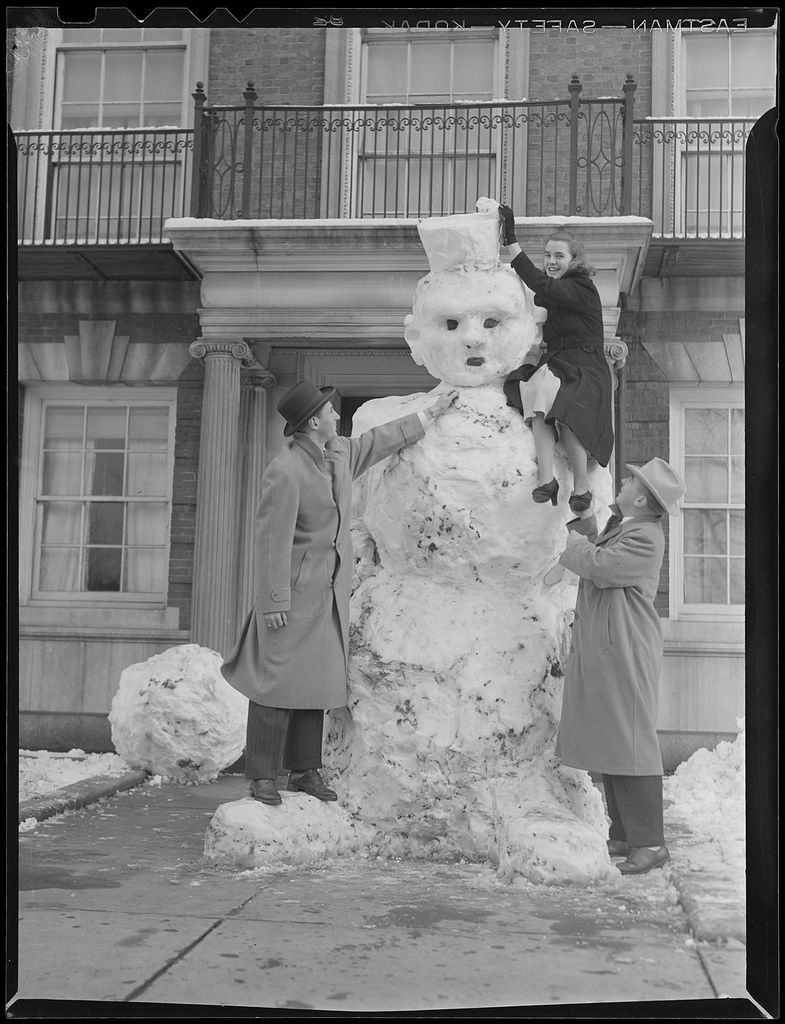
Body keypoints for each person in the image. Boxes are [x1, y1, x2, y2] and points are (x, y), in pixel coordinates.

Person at [221, 379, 458, 806]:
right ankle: (261, 775)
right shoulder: (285, 470)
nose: (336, 416)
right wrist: (273, 600)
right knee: (274, 684)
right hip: (292, 596)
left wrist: (430, 413)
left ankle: (304, 770)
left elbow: (377, 441)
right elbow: (271, 539)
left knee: (314, 683)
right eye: (330, 412)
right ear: (313, 421)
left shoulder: (339, 455)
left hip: (329, 594)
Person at [553, 457, 687, 874]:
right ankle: (625, 836)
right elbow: (599, 554)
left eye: (631, 480)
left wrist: (571, 545)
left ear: (643, 497)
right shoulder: (627, 527)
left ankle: (650, 843)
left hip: (627, 646)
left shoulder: (646, 535)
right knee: (616, 739)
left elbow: (601, 567)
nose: (625, 483)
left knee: (633, 741)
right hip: (612, 645)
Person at [498, 205, 614, 514]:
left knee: (568, 415)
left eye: (559, 256)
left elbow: (541, 285)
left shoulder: (581, 288)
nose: (551, 261)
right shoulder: (556, 291)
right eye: (547, 255)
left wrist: (512, 242)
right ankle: (547, 480)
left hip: (585, 369)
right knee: (537, 401)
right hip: (560, 364)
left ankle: (582, 488)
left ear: (574, 261)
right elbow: (536, 294)